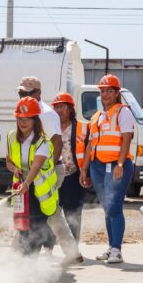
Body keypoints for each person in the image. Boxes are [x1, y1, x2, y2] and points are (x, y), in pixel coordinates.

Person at [79, 74, 135, 264]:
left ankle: (117, 250)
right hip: (98, 166)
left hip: (116, 166)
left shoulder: (123, 112)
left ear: (116, 93)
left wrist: (119, 164)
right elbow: (90, 145)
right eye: (102, 91)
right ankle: (111, 246)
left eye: (109, 91)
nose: (105, 94)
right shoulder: (96, 117)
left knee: (114, 206)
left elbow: (126, 139)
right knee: (106, 208)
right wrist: (84, 169)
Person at [6, 97, 68, 257]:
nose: (23, 122)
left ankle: (32, 269)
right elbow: (8, 161)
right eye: (20, 118)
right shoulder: (11, 137)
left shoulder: (44, 142)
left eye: (27, 119)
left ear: (35, 120)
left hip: (40, 192)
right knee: (24, 230)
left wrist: (25, 184)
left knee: (37, 229)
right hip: (22, 191)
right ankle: (27, 268)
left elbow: (36, 167)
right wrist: (14, 169)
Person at [51, 92, 90, 242]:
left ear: (70, 109)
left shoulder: (83, 127)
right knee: (52, 212)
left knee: (73, 213)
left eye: (62, 107)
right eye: (56, 107)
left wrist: (87, 173)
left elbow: (89, 150)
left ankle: (73, 247)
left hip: (74, 176)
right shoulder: (50, 128)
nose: (59, 110)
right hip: (53, 176)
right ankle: (48, 247)